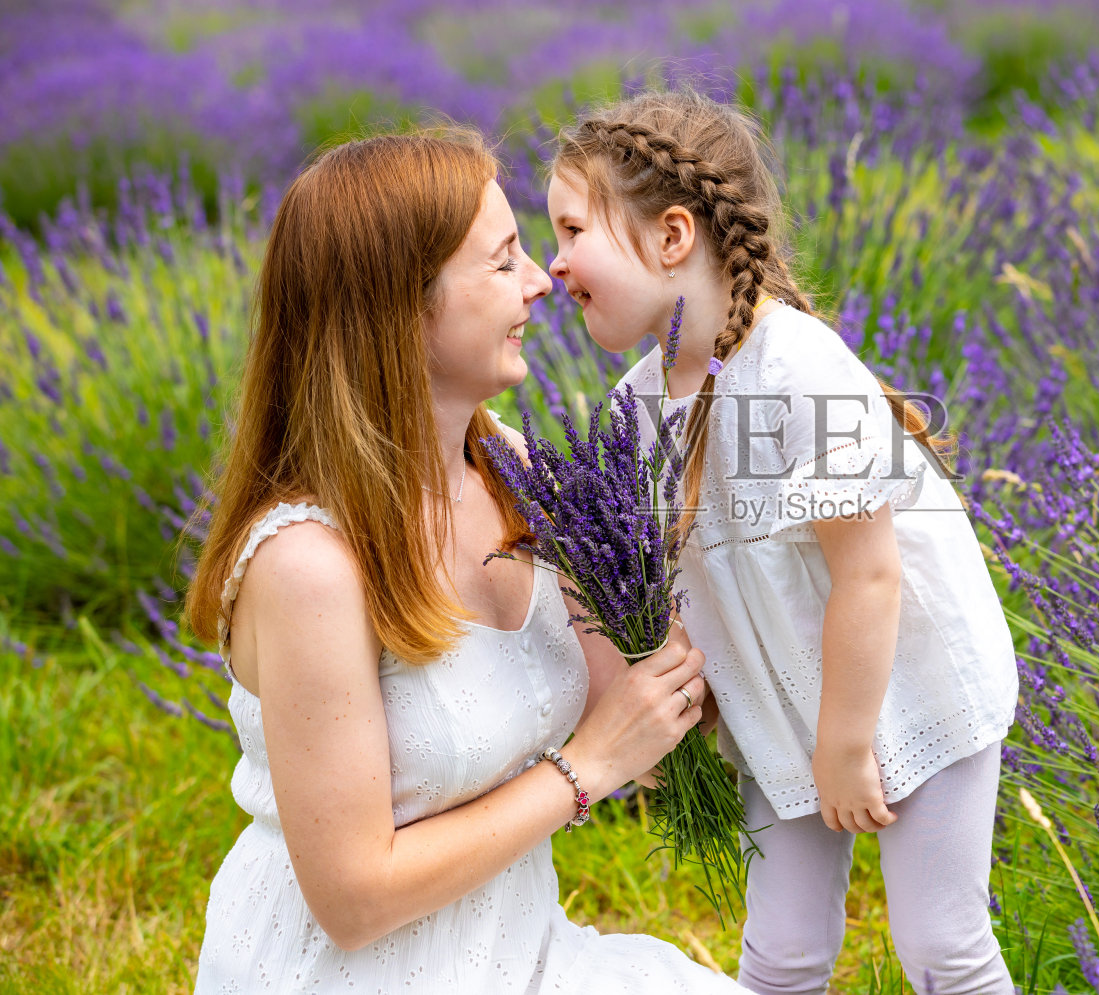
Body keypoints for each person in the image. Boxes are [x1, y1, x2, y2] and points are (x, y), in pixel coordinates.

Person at [183, 128, 744, 993]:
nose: (540, 281)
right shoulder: (308, 564)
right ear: (402, 307)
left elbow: (633, 719)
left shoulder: (509, 468)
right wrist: (587, 767)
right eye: (503, 259)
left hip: (522, 955)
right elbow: (354, 898)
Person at [546, 89, 1019, 995]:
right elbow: (668, 588)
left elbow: (869, 576)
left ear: (672, 236)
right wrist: (684, 707)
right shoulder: (631, 413)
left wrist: (844, 743)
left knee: (943, 946)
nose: (554, 262)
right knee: (782, 953)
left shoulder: (798, 365)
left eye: (572, 230)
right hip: (780, 710)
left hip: (912, 688)